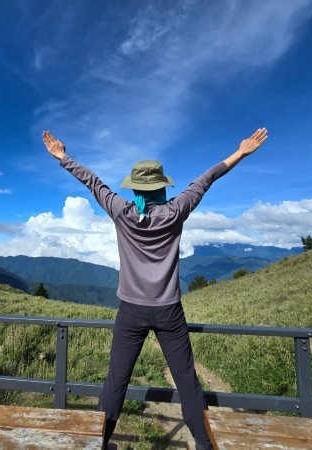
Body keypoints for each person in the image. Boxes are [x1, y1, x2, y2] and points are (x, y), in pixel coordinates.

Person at [42, 128, 268, 449]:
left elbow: (94, 182)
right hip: (169, 311)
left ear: (134, 187)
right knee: (187, 381)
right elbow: (205, 180)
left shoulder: (122, 212)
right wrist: (241, 152)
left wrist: (63, 157)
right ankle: (204, 443)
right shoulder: (176, 212)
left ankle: (100, 442)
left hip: (130, 311)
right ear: (162, 186)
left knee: (116, 381)